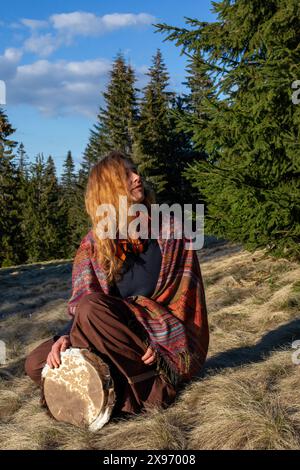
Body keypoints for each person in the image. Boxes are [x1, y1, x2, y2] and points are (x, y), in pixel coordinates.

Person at [25, 150, 209, 416]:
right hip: (105, 328)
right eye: (126, 175)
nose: (137, 177)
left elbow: (187, 304)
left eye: (134, 170)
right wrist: (65, 337)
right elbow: (83, 303)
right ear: (108, 191)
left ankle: (145, 392)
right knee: (36, 362)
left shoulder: (169, 232)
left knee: (91, 311)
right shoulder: (94, 244)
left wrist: (163, 343)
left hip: (152, 336)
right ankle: (108, 386)